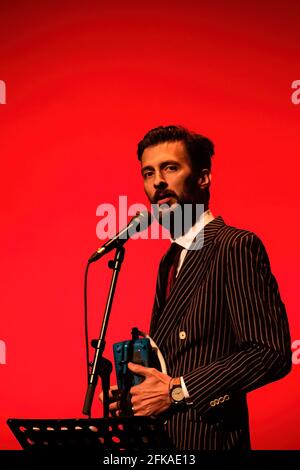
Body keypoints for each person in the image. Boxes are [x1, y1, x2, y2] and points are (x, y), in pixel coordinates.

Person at [104, 125, 292, 450]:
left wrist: (179, 390)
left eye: (170, 168)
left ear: (203, 178)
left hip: (209, 441)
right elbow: (175, 361)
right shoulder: (169, 261)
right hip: (163, 444)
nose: (157, 181)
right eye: (148, 173)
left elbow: (270, 353)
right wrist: (137, 396)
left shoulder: (234, 245)